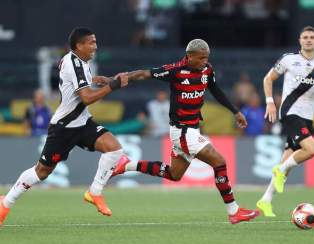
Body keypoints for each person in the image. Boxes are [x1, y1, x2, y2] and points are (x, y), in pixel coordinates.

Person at [110, 39, 260, 224]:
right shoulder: (175, 70)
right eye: (201, 58)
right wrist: (121, 78)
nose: (205, 61)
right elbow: (144, 74)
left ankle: (127, 165)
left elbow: (216, 90)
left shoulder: (207, 70)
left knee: (174, 174)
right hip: (182, 131)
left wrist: (235, 111)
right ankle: (234, 211)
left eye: (207, 57)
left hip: (192, 130)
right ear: (189, 57)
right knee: (219, 162)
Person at [0, 27, 128, 226]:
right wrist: (112, 85)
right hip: (64, 127)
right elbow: (86, 97)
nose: (95, 46)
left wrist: (96, 79)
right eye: (91, 42)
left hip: (82, 122)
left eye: (95, 41)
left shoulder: (75, 60)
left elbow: (72, 78)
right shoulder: (75, 64)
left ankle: (94, 192)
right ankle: (6, 203)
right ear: (79, 45)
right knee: (42, 172)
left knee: (114, 149)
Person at [256, 26, 314, 217]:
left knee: (288, 158)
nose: (308, 40)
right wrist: (270, 102)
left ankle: (265, 200)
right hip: (290, 112)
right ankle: (280, 170)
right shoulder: (289, 59)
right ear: (300, 40)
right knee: (311, 150)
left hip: (307, 117)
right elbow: (268, 79)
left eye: (312, 37)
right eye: (305, 37)